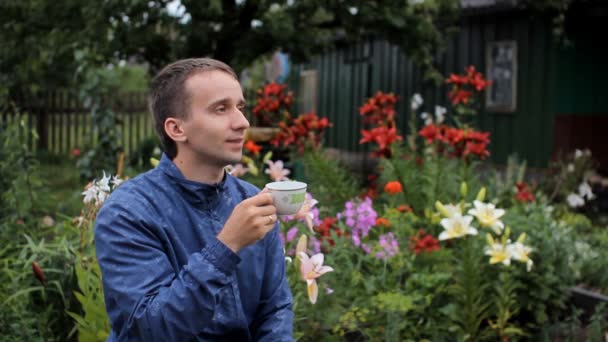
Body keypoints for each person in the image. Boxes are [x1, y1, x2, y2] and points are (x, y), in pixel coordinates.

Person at [94, 58, 294, 341]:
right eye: (220, 109)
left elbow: (275, 311)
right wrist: (226, 246)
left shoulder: (252, 200)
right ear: (177, 129)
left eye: (240, 107)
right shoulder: (128, 212)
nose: (242, 122)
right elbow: (151, 328)